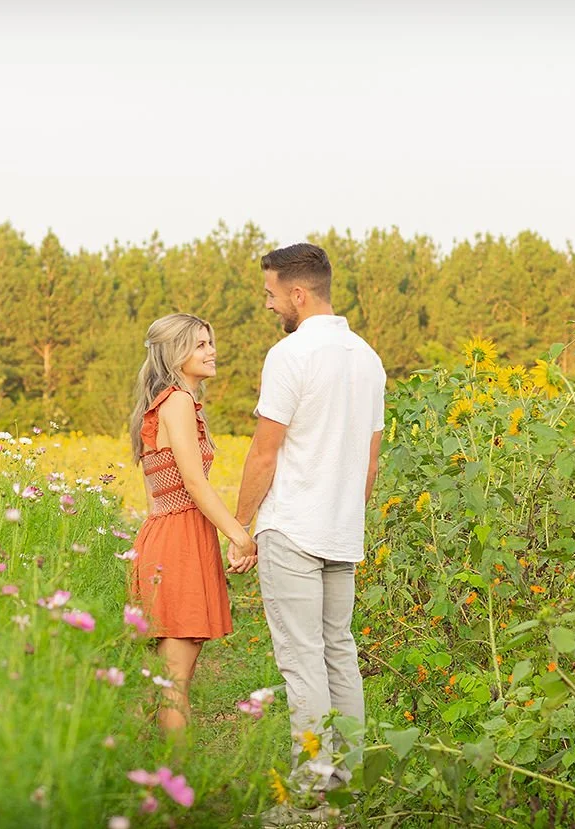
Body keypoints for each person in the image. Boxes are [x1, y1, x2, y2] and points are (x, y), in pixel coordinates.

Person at [235, 243, 386, 820]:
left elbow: (264, 454)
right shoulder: (367, 358)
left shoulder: (290, 355)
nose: (269, 305)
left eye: (271, 294)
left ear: (298, 294)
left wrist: (242, 528)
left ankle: (313, 797)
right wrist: (347, 513)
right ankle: (347, 786)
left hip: (293, 527)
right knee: (339, 655)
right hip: (342, 530)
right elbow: (370, 463)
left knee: (302, 663)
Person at [129, 312, 258, 734]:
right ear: (175, 352)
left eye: (210, 342)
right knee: (173, 684)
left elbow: (158, 494)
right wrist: (240, 535)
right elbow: (194, 484)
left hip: (166, 537)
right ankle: (177, 790)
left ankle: (134, 770)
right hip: (179, 543)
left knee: (161, 681)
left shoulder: (163, 404)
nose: (212, 351)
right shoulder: (178, 402)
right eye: (201, 344)